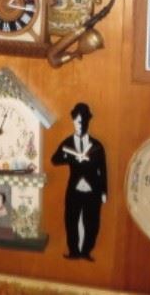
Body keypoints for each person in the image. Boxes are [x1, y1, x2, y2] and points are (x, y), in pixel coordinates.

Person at [51, 102, 107, 261]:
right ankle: (74, 251)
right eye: (77, 121)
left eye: (83, 121)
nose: (80, 125)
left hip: (93, 190)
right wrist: (69, 156)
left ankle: (86, 251)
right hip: (74, 189)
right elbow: (55, 160)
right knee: (72, 220)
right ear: (73, 121)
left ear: (88, 121)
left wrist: (104, 191)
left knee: (92, 221)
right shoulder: (67, 144)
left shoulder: (97, 146)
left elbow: (103, 170)